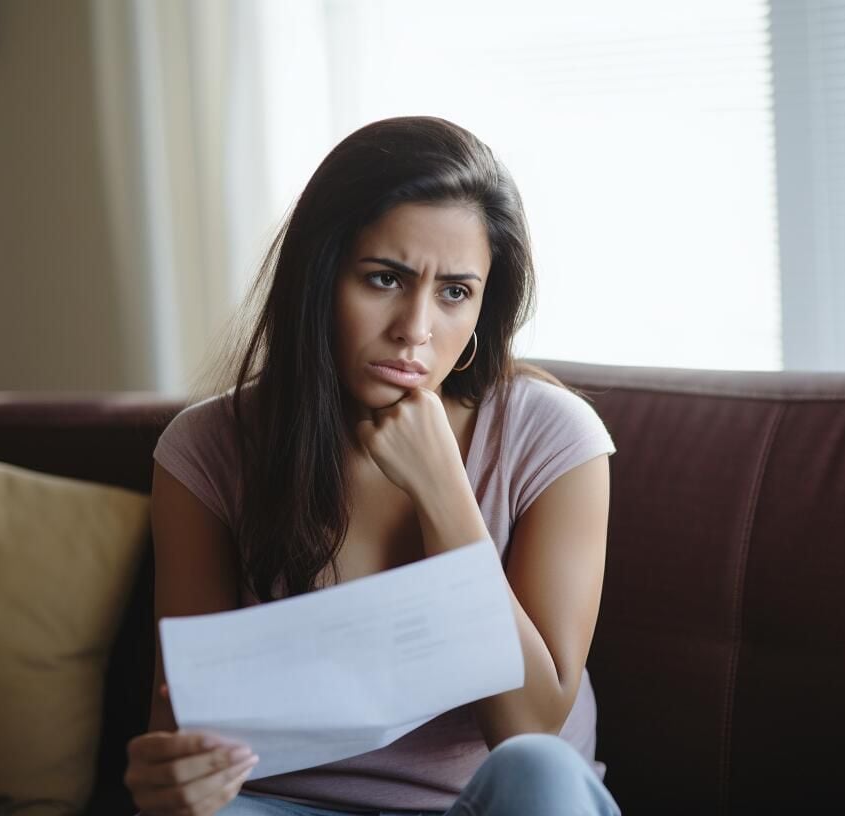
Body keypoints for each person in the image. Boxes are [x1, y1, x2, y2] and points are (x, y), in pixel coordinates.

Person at [123, 116, 620, 816]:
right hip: (275, 805)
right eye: (384, 279)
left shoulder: (552, 439)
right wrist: (170, 781)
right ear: (319, 280)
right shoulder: (206, 449)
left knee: (540, 771)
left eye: (454, 292)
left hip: (478, 806)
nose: (415, 329)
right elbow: (183, 730)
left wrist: (444, 492)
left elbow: (530, 726)